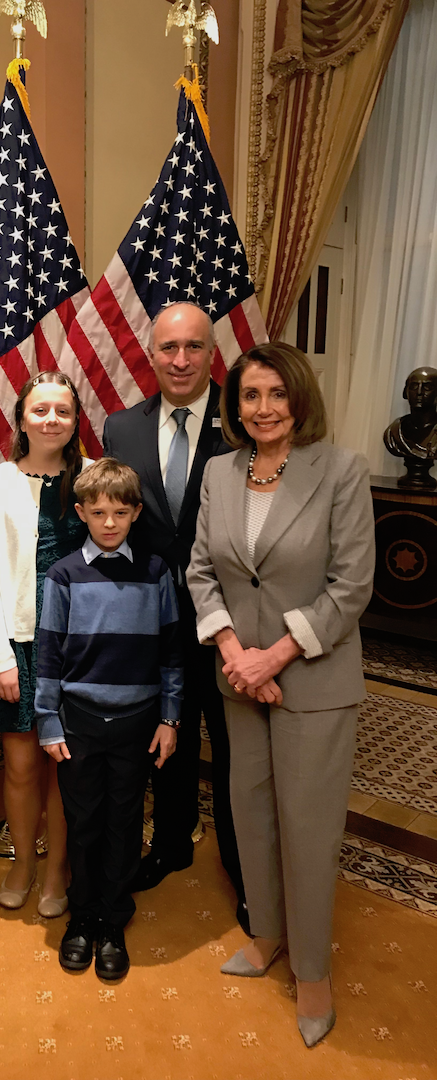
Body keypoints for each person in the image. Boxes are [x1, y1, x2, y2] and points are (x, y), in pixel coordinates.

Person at [187, 342, 375, 1047]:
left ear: (298, 398)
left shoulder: (342, 471)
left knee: (308, 826)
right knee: (251, 813)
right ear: (235, 407)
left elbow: (352, 585)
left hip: (314, 680)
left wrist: (277, 655)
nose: (262, 408)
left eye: (275, 394)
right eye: (249, 396)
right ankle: (266, 934)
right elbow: (202, 569)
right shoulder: (219, 471)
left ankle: (315, 970)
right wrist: (236, 654)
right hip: (241, 678)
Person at [103, 301, 246, 930]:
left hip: (235, 624)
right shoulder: (120, 429)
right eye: (169, 348)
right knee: (169, 738)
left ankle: (248, 872)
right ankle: (170, 843)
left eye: (194, 348)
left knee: (240, 751)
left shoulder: (245, 417)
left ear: (213, 354)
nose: (181, 360)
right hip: (153, 622)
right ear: (151, 353)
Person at [35, 459, 182, 980]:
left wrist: (170, 716)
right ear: (81, 513)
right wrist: (48, 720)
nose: (110, 522)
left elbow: (170, 649)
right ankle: (83, 917)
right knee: (84, 823)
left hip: (138, 722)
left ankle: (114, 920)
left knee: (124, 822)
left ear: (137, 513)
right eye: (98, 512)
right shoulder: (64, 574)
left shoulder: (156, 572)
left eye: (121, 511)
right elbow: (49, 653)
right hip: (78, 721)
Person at [0, 371, 87, 917]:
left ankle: (59, 867)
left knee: (65, 764)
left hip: (81, 648)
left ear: (75, 421)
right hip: (20, 645)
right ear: (22, 418)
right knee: (20, 766)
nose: (51, 420)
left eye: (62, 411)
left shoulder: (93, 478)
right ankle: (24, 859)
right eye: (39, 410)